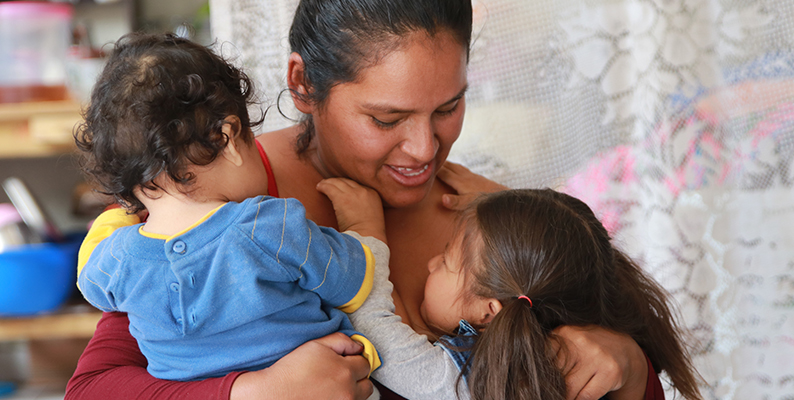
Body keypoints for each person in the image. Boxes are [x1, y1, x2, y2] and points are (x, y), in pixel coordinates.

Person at [66, 1, 659, 399]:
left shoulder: (486, 216)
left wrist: (630, 367)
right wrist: (252, 392)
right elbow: (94, 389)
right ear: (302, 83)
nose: (426, 149)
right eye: (387, 118)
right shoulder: (202, 198)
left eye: (448, 107)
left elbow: (630, 376)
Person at [74, 32, 385, 382]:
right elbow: (355, 284)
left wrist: (116, 218)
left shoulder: (117, 260)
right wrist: (364, 226)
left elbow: (89, 279)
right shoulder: (268, 227)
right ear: (229, 138)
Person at [336, 185, 704, 400]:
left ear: (489, 311)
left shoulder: (478, 377)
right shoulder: (558, 351)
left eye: (447, 261)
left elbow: (380, 335)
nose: (432, 264)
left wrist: (364, 237)